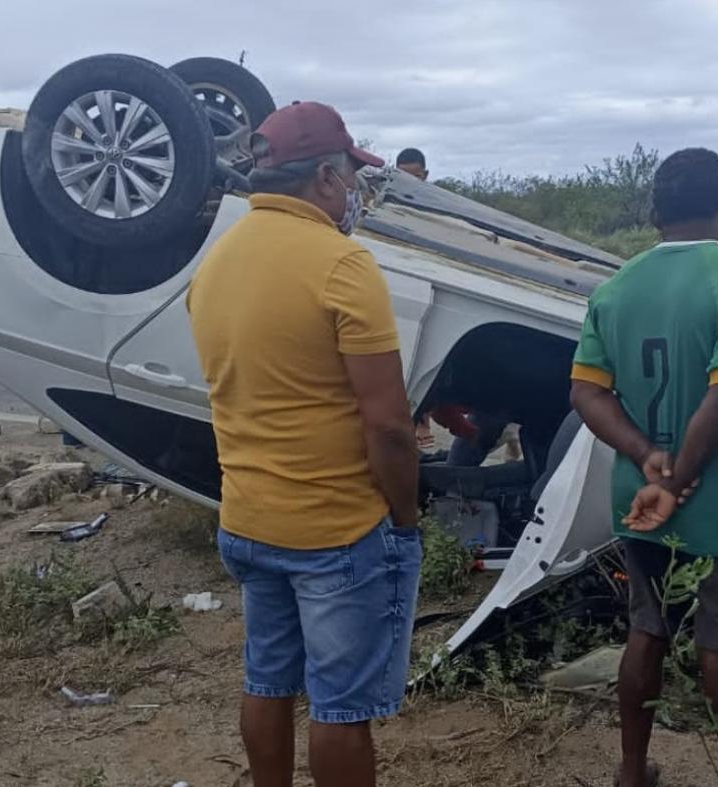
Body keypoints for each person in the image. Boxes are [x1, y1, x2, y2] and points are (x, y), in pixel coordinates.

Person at [186, 101, 421, 787]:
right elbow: (389, 426)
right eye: (351, 175)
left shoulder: (216, 262)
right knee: (341, 706)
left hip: (247, 521)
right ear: (324, 177)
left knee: (267, 681)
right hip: (335, 529)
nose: (355, 190)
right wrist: (405, 518)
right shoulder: (342, 265)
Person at [571, 148, 718, 787]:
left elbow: (586, 393)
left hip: (639, 496)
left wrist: (647, 460)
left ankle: (632, 771)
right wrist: (681, 478)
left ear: (653, 212)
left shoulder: (615, 288)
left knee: (648, 632)